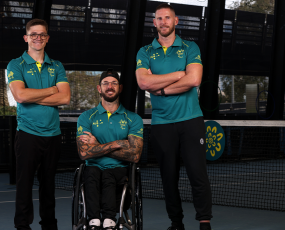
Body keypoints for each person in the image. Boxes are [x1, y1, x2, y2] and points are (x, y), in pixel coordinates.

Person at [135, 3, 212, 230]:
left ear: (175, 21)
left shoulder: (190, 47)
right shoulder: (144, 52)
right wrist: (179, 74)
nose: (163, 22)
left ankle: (204, 222)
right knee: (168, 178)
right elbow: (143, 82)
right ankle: (176, 223)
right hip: (162, 124)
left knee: (198, 175)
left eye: (167, 18)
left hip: (191, 121)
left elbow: (194, 80)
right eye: (159, 18)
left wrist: (160, 88)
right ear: (154, 23)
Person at [7, 18, 71, 230]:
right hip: (27, 134)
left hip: (53, 134)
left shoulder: (58, 66)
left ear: (47, 39)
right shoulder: (16, 64)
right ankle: (22, 225)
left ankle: (49, 225)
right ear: (26, 38)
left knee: (48, 185)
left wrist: (32, 95)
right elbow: (20, 96)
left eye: (42, 34)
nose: (38, 38)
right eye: (33, 34)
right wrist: (52, 90)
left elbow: (65, 99)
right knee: (24, 184)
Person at [76, 69, 144, 230]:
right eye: (105, 83)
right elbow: (84, 153)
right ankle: (93, 220)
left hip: (119, 171)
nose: (110, 86)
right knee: (91, 172)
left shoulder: (133, 119)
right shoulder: (86, 117)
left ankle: (109, 219)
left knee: (108, 174)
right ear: (99, 88)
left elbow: (135, 155)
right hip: (93, 168)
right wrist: (115, 144)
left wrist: (97, 144)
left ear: (120, 88)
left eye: (114, 83)